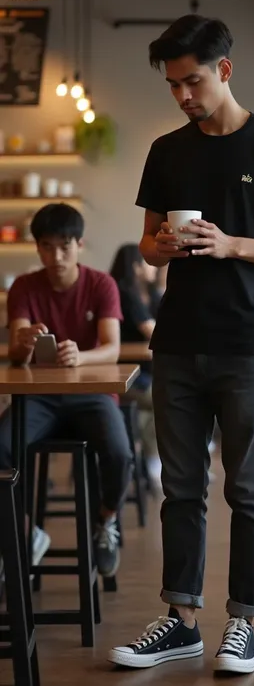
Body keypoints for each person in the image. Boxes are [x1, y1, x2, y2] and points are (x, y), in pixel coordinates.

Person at [109, 14, 254, 675]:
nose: (182, 96)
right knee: (181, 488)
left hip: (249, 344)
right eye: (172, 85)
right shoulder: (167, 151)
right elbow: (145, 244)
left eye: (191, 81)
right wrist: (162, 246)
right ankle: (181, 620)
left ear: (224, 70)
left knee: (248, 488)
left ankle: (244, 623)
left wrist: (232, 245)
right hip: (176, 343)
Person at [0, 204, 132, 577]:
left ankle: (105, 522)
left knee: (120, 454)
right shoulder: (25, 287)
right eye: (47, 246)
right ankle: (26, 535)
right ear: (37, 248)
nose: (56, 256)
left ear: (79, 244)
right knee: (0, 447)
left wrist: (81, 356)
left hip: (93, 394)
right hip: (38, 398)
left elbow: (112, 347)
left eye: (64, 246)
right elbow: (15, 352)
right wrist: (24, 342)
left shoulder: (101, 284)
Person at [110, 244, 164, 492]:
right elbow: (153, 331)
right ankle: (152, 462)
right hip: (125, 375)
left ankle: (146, 459)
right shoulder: (124, 293)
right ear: (135, 267)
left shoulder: (149, 294)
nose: (154, 266)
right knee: (166, 398)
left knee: (162, 398)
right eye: (147, 262)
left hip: (144, 372)